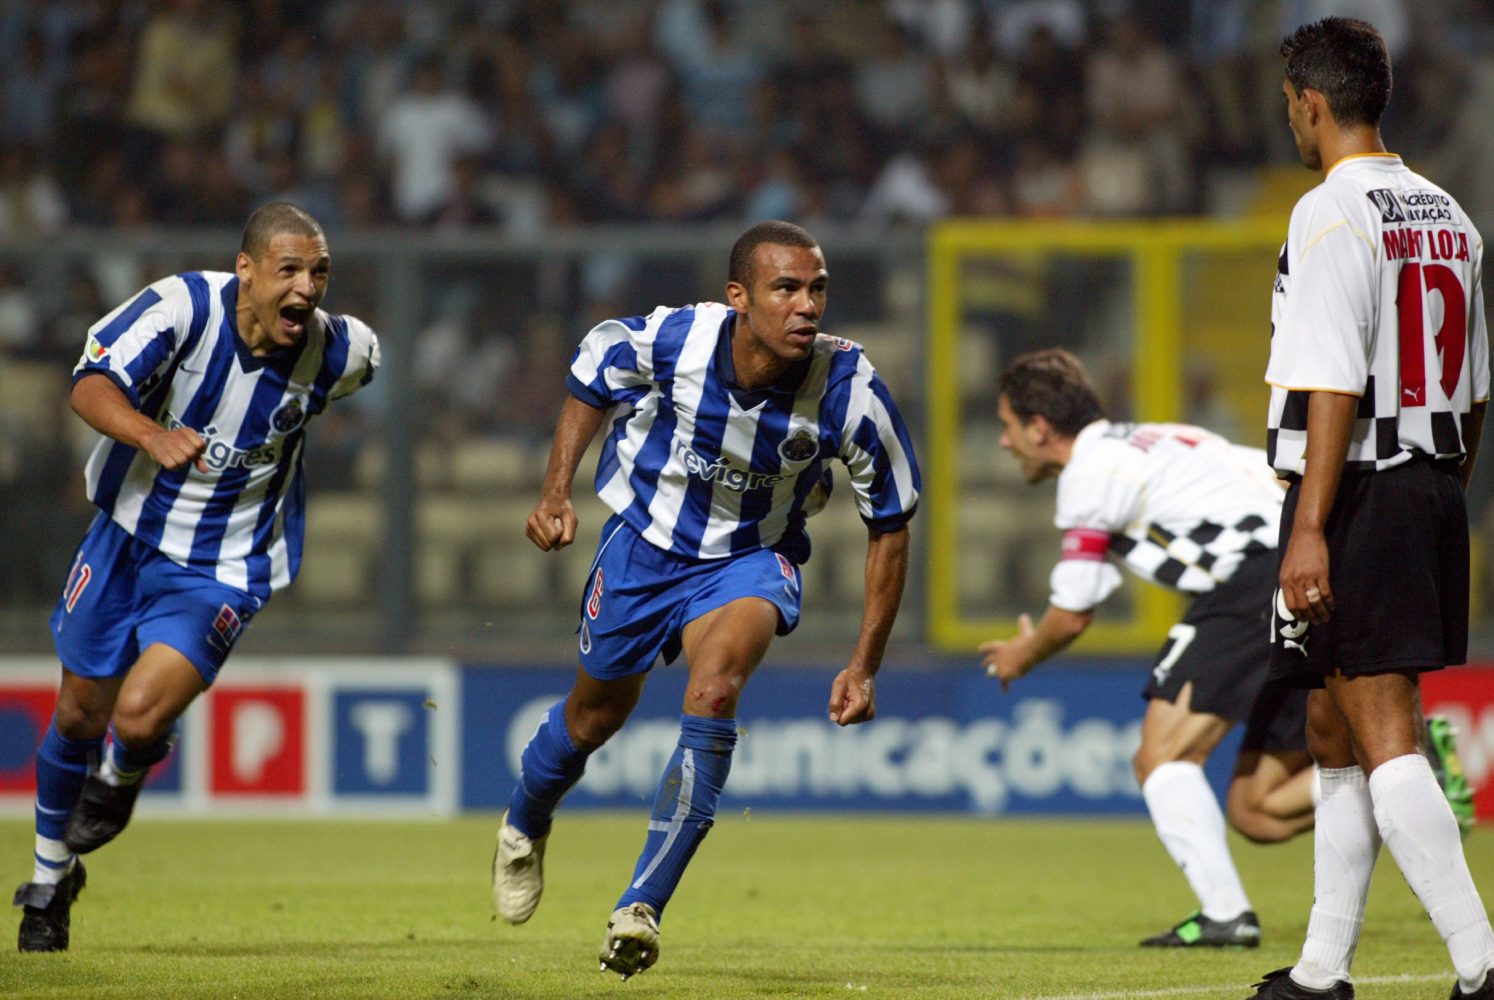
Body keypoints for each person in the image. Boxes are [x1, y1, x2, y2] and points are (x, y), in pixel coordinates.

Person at [492, 220, 921, 979]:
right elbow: (593, 371)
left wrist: (864, 664)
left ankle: (641, 906)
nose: (807, 305)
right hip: (643, 546)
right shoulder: (678, 340)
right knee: (594, 717)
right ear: (739, 297)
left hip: (750, 559)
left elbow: (890, 524)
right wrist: (555, 491)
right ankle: (525, 822)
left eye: (817, 289)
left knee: (716, 688)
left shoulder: (852, 391)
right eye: (786, 288)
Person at [11, 202, 379, 952]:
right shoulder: (181, 309)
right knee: (77, 716)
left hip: (225, 567)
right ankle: (49, 885)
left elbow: (358, 373)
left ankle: (123, 773)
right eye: (289, 270)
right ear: (246, 270)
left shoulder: (344, 353)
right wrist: (151, 434)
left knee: (138, 715)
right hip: (124, 538)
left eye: (319, 273)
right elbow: (89, 385)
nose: (307, 288)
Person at [1245, 18, 1494, 1000]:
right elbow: (1476, 389)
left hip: (1355, 491)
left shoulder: (1330, 210)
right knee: (1331, 725)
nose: (1290, 122)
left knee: (1384, 728)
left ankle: (1481, 962)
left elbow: (1333, 382)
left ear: (1310, 103)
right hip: (1427, 482)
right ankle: (1322, 969)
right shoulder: (1449, 214)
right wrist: (1441, 492)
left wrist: (1312, 527)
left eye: (1289, 106)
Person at [980, 348, 1315, 950]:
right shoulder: (1157, 439)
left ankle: (1225, 915)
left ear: (1039, 427)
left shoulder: (1090, 474)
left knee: (1161, 757)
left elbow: (1073, 614)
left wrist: (1020, 655)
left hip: (1254, 582)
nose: (1005, 442)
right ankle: (1397, 777)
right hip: (1304, 573)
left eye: (1008, 427)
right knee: (1258, 809)